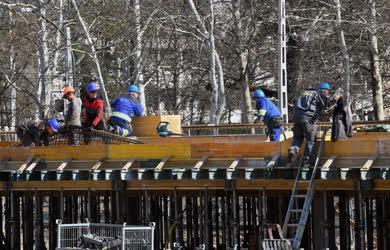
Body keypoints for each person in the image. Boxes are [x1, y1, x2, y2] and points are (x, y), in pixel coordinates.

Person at [288, 82, 333, 167]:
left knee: (298, 137)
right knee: (311, 140)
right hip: (307, 118)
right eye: (327, 91)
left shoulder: (305, 93)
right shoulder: (320, 94)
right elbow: (325, 107)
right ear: (324, 90)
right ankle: (306, 161)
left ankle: (293, 150)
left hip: (296, 118)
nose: (327, 93)